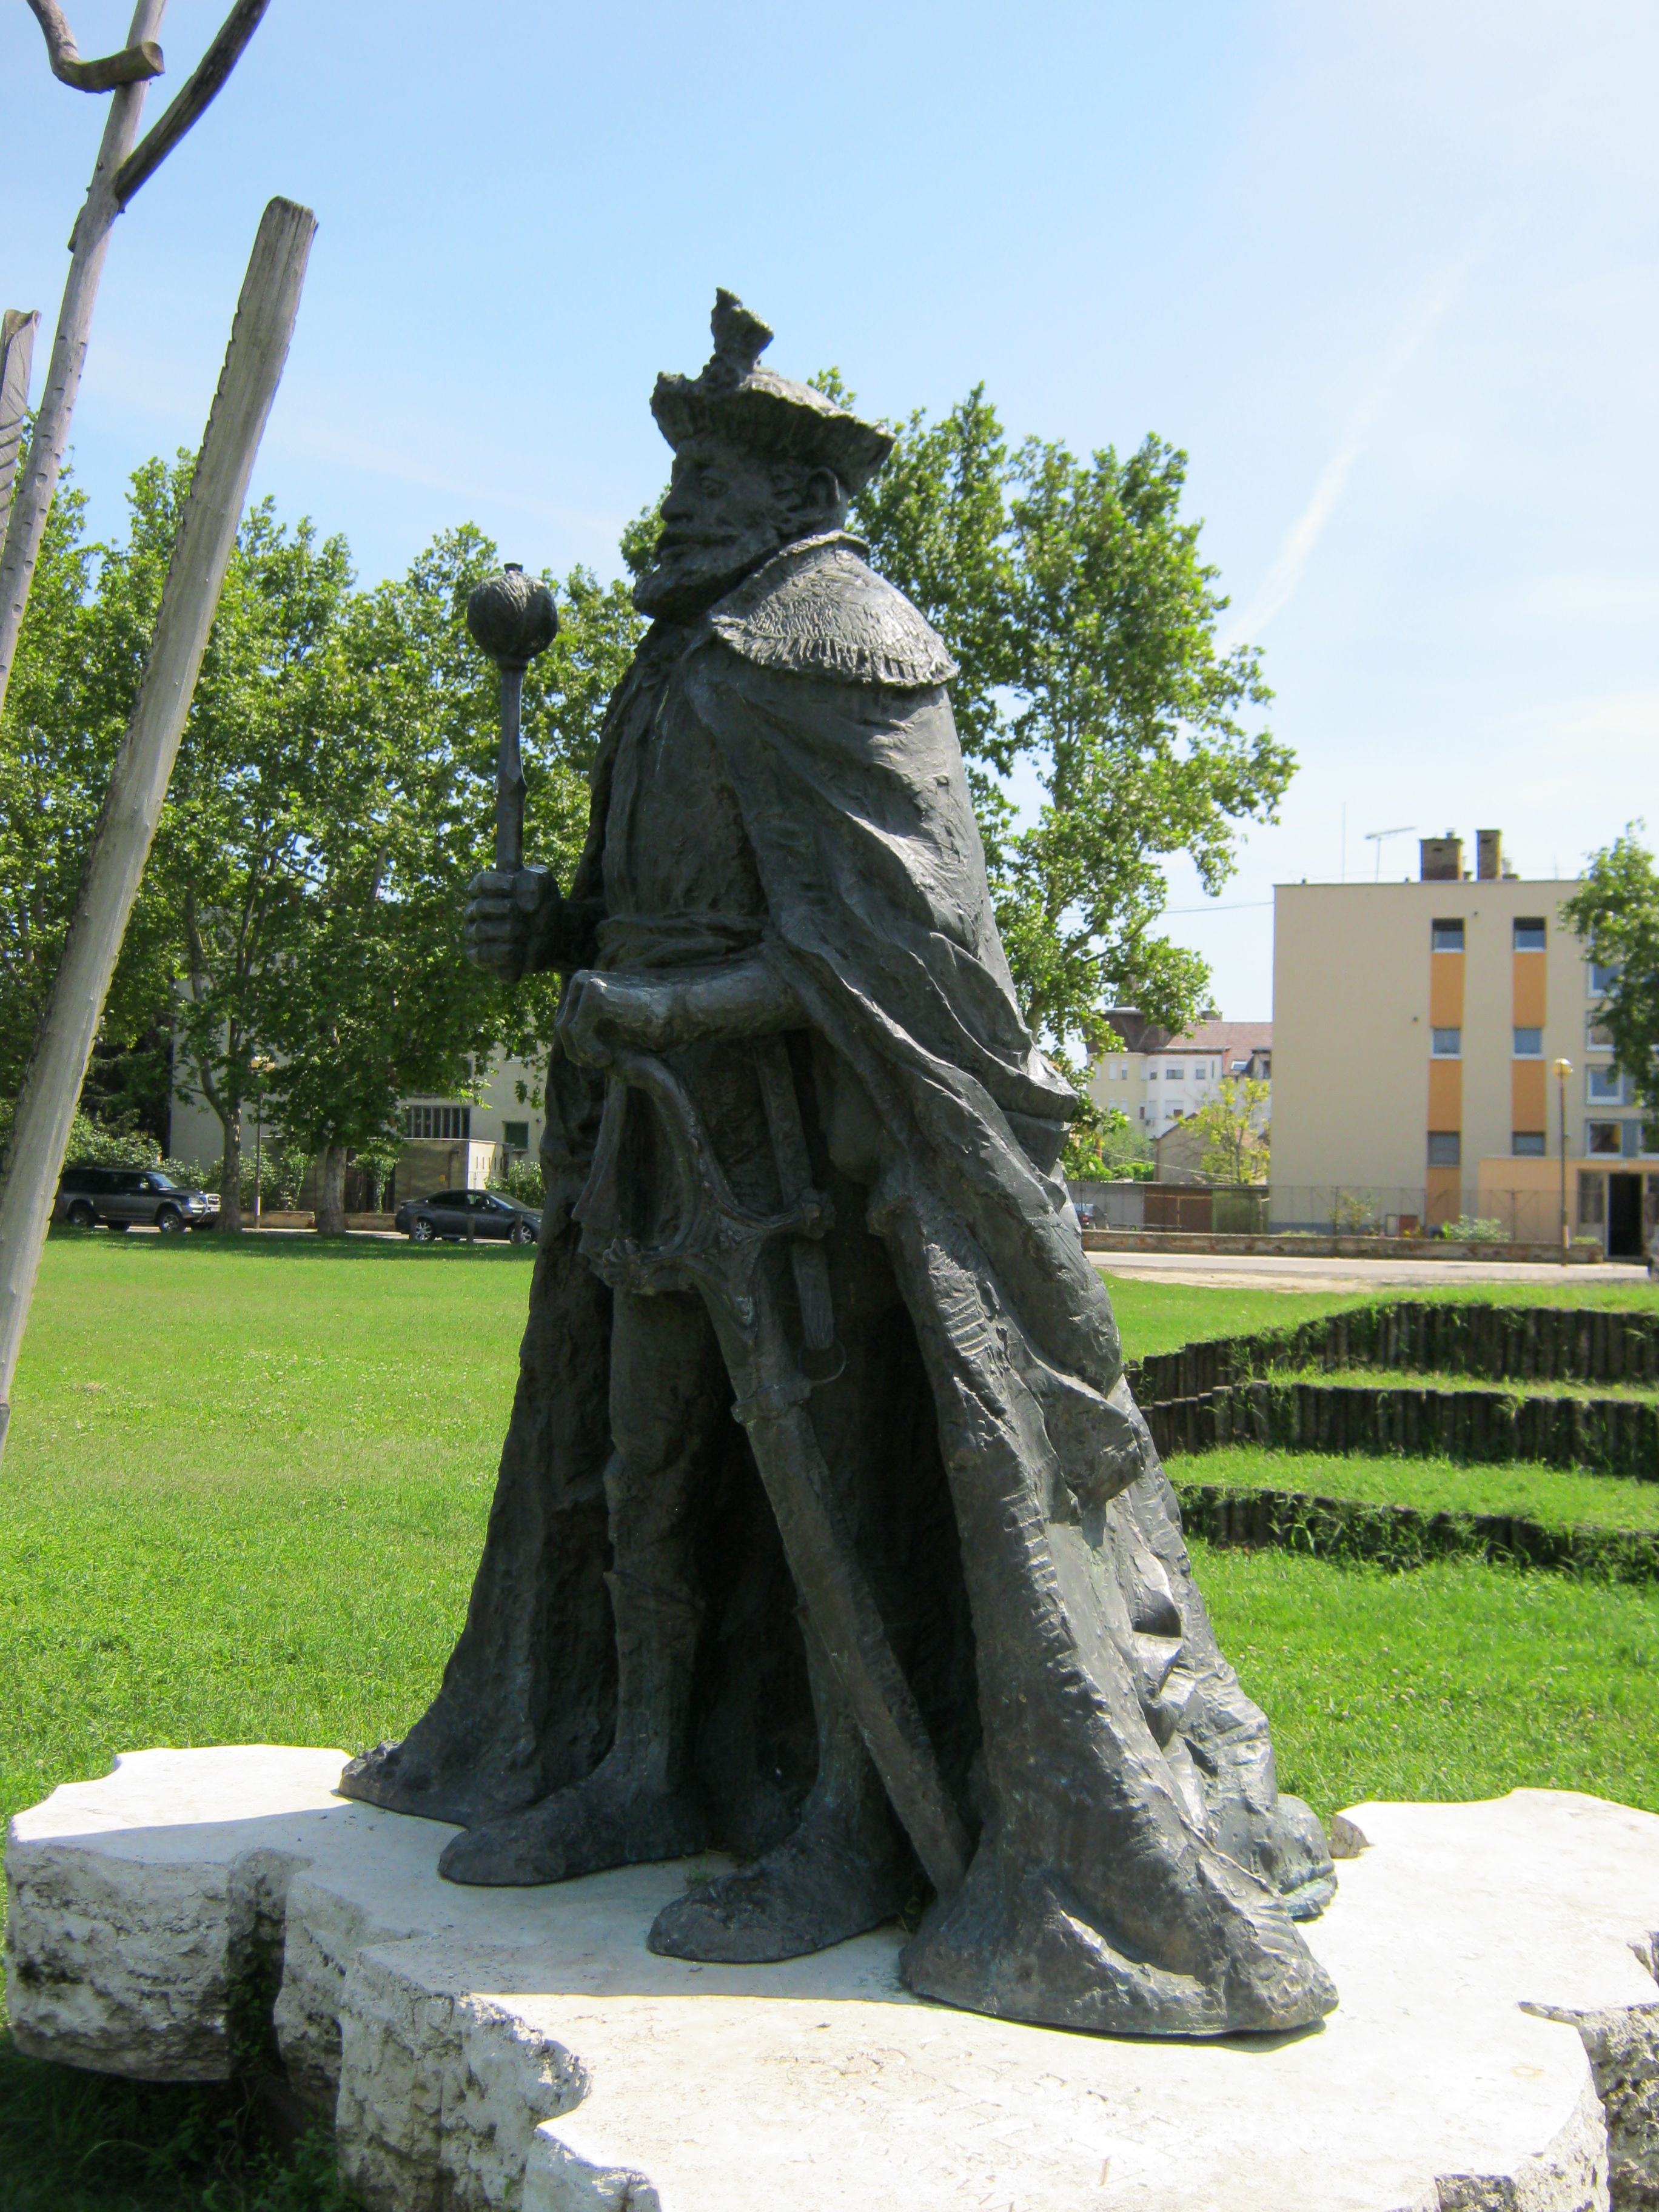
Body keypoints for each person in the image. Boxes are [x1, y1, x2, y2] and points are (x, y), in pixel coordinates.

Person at [341, 294, 1337, 2037]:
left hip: (816, 1170)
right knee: (640, 1477)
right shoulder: (681, 655)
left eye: (706, 478)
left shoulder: (852, 647)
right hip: (654, 1157)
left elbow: (888, 959)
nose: (674, 509)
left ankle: (850, 1831)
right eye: (677, 477)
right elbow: (662, 899)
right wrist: (554, 927)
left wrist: (664, 1007)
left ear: (789, 489)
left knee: (827, 1501)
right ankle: (643, 1768)